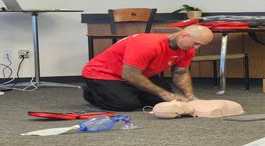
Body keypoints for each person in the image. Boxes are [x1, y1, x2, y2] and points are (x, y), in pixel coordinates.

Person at [81, 25, 214, 111]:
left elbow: (181, 73)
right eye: (196, 43)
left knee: (164, 101)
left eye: (200, 45)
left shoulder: (188, 49)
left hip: (140, 74)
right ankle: (92, 92)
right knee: (126, 105)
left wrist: (190, 97)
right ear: (183, 35)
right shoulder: (148, 45)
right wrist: (164, 93)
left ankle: (127, 91)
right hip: (103, 73)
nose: (196, 48)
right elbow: (130, 75)